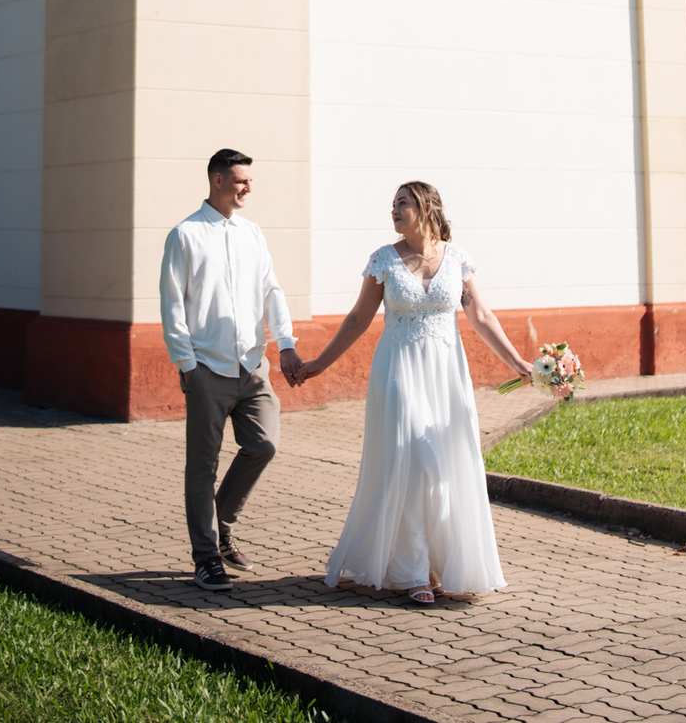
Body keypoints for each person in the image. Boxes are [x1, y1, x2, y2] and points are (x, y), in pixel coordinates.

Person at [299, 180, 530, 604]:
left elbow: (479, 314)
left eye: (402, 203)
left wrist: (519, 363)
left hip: (445, 374)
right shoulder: (383, 260)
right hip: (399, 370)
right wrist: (318, 364)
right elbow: (357, 319)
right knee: (416, 462)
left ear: (426, 208)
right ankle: (413, 571)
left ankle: (442, 564)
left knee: (443, 468)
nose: (394, 210)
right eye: (392, 204)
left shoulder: (457, 258)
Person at [159, 149, 305, 592]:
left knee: (264, 445)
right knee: (201, 466)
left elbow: (271, 290)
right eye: (241, 180)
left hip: (252, 365)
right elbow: (172, 303)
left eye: (250, 181)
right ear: (218, 180)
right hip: (206, 367)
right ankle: (206, 557)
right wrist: (187, 365)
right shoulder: (185, 235)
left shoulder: (252, 234)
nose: (248, 188)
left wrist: (285, 344)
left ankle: (222, 524)